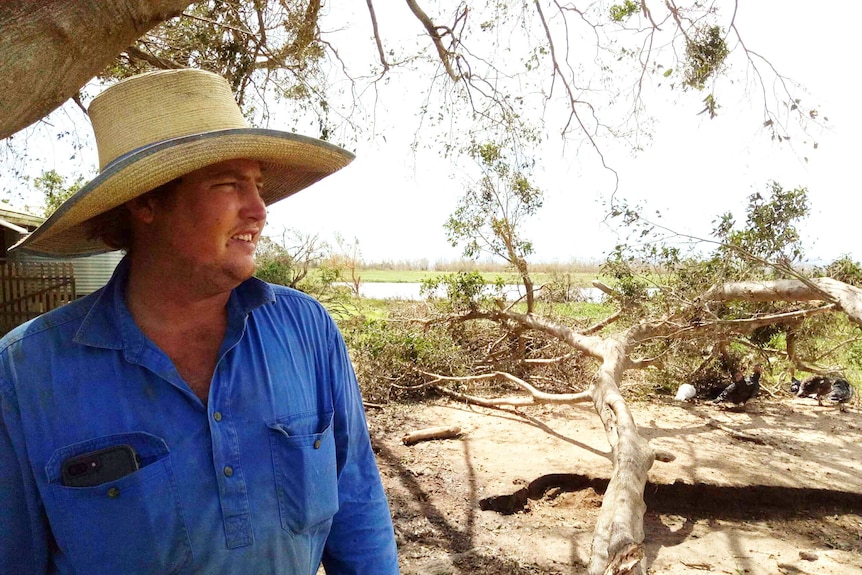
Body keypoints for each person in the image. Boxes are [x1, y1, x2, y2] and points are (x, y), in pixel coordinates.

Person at [0, 69, 399, 575]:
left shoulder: (306, 332)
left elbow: (359, 508)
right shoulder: (26, 373)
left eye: (257, 185)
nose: (259, 210)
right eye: (229, 184)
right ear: (146, 202)